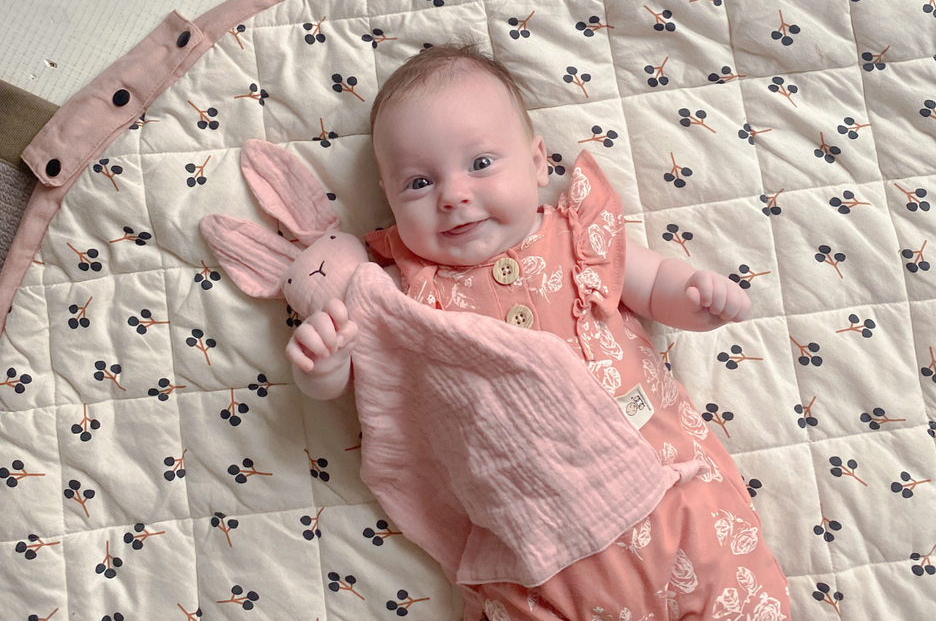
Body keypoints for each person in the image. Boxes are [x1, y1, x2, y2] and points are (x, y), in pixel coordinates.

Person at [286, 43, 789, 621]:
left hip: (670, 492)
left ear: (537, 162)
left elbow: (650, 286)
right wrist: (326, 367)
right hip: (536, 553)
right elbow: (374, 386)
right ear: (388, 200)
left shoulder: (575, 238)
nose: (453, 194)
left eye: (480, 164)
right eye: (419, 183)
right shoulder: (405, 294)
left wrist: (697, 297)